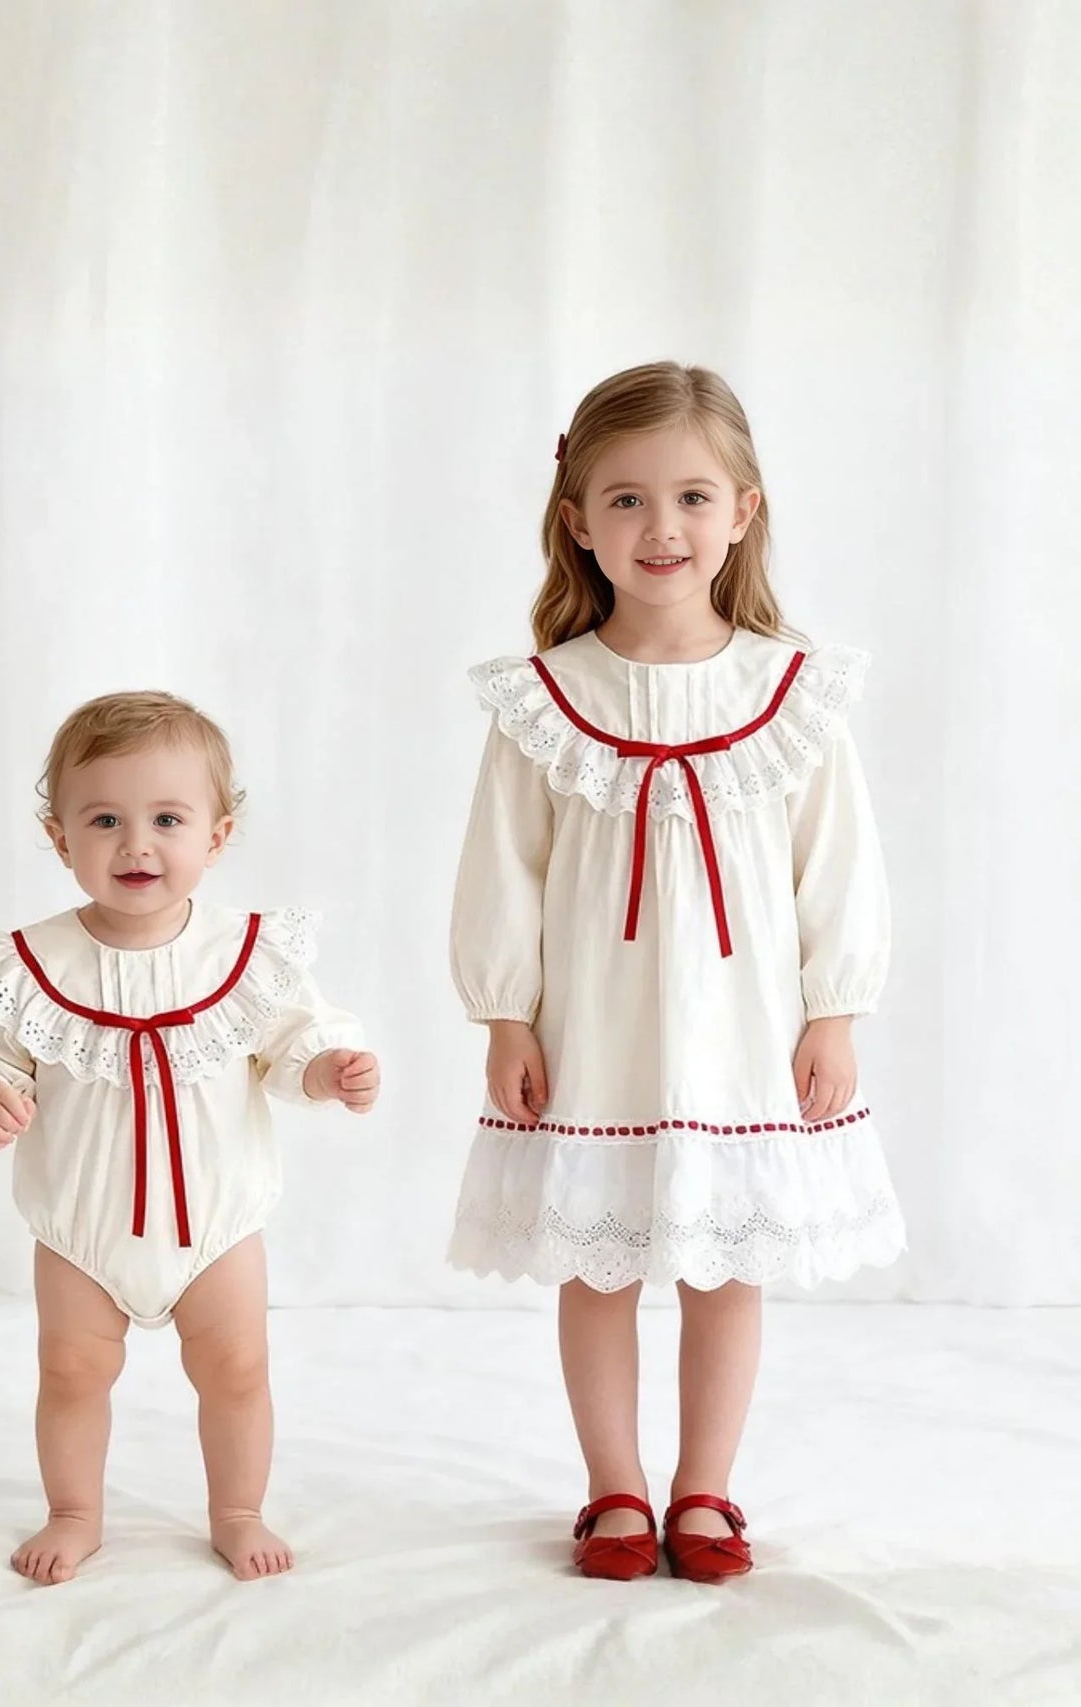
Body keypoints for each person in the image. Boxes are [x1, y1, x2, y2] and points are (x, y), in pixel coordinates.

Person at [448, 362, 904, 1582]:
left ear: (742, 511)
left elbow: (836, 866)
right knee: (598, 1262)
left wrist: (835, 1010)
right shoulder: (544, 699)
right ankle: (613, 1489)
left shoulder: (790, 693)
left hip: (744, 1025)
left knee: (725, 1260)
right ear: (576, 518)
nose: (662, 529)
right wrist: (504, 1016)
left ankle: (703, 1489)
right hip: (594, 1026)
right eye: (628, 500)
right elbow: (506, 871)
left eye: (693, 497)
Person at [0, 690, 379, 1584]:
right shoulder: (32, 963)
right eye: (105, 819)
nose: (137, 843)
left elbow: (293, 1039)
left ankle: (239, 1508)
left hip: (215, 1217)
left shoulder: (245, 953)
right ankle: (75, 1509)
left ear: (217, 835)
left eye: (167, 818)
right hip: (81, 1222)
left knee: (238, 1368)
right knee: (70, 1372)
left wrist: (327, 1068)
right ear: (60, 838)